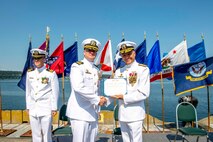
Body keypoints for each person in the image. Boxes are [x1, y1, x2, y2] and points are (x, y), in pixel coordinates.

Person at [66, 38, 106, 142]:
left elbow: (96, 90)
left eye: (94, 50)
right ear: (84, 52)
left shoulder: (96, 70)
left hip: (93, 113)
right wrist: (97, 99)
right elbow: (78, 87)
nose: (92, 52)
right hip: (80, 113)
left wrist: (99, 106)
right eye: (89, 50)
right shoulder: (77, 66)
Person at [110, 41, 150, 142]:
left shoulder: (143, 69)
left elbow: (144, 93)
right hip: (123, 114)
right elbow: (114, 91)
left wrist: (123, 97)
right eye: (124, 55)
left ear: (134, 53)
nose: (127, 57)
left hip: (135, 114)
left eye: (129, 54)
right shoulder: (119, 71)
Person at [26, 48, 59, 142]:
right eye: (35, 58)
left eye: (39, 58)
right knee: (35, 134)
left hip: (46, 107)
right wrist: (28, 106)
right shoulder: (30, 73)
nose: (36, 60)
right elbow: (28, 92)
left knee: (46, 134)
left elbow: (55, 92)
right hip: (33, 107)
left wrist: (54, 108)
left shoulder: (51, 74)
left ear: (44, 59)